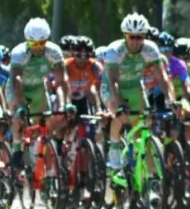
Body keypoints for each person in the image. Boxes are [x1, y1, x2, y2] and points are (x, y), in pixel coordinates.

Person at [104, 13, 175, 168]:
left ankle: (149, 173)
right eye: (132, 37)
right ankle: (114, 147)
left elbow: (162, 76)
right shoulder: (115, 50)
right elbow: (113, 81)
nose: (135, 41)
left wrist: (171, 100)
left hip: (135, 86)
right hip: (112, 86)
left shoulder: (150, 49)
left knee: (143, 124)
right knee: (119, 115)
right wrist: (120, 104)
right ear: (125, 36)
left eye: (139, 37)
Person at [7, 18, 69, 166]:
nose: (38, 48)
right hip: (18, 88)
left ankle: (39, 157)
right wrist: (20, 104)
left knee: (43, 124)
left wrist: (63, 104)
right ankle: (17, 147)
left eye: (41, 43)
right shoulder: (19, 53)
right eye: (33, 44)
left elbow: (61, 81)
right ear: (27, 41)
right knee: (19, 117)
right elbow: (16, 79)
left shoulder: (54, 51)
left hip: (38, 89)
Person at [65, 36, 103, 116]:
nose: (82, 59)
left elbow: (102, 87)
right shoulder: (66, 65)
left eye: (87, 55)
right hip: (67, 98)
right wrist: (67, 104)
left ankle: (98, 110)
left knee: (92, 89)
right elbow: (62, 87)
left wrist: (100, 107)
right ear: (72, 52)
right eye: (79, 55)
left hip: (84, 97)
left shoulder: (95, 66)